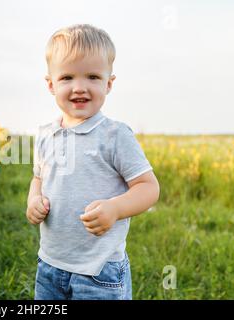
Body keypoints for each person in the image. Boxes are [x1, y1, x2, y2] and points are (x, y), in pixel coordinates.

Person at [26, 24, 160, 300]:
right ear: (51, 84)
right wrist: (34, 199)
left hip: (99, 271)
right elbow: (38, 178)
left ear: (108, 83)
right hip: (50, 264)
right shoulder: (45, 134)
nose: (79, 88)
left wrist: (115, 208)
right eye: (67, 77)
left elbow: (148, 187)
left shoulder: (114, 135)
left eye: (92, 77)